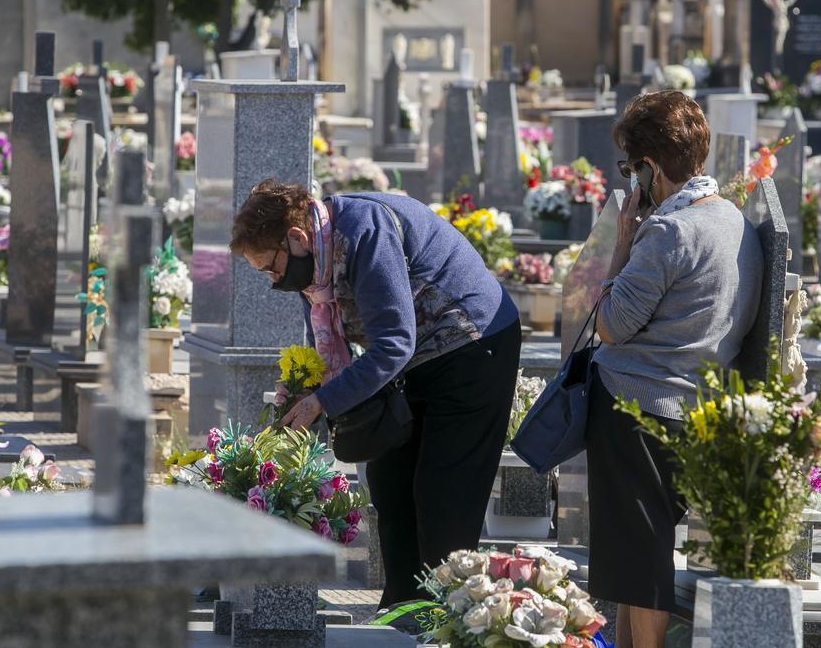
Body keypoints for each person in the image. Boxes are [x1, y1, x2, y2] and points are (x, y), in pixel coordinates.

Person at [230, 181, 521, 607]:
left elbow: (393, 343)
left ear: (296, 237)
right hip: (417, 358)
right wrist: (306, 387)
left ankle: (446, 618)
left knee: (443, 494)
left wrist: (324, 402)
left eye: (271, 269)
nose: (275, 281)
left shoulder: (364, 231)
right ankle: (401, 611)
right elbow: (325, 342)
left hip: (472, 346)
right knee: (389, 482)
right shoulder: (315, 264)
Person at [588, 91, 763, 648]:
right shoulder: (731, 220)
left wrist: (621, 242)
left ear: (649, 169)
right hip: (693, 407)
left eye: (630, 168)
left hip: (636, 407)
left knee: (640, 566)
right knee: (634, 557)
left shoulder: (667, 232)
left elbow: (611, 324)